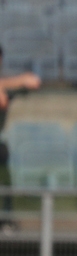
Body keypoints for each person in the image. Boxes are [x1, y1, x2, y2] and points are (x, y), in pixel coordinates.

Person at [0, 44, 42, 233]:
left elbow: (33, 82)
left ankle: (5, 220)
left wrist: (10, 83)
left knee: (5, 182)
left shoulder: (6, 85)